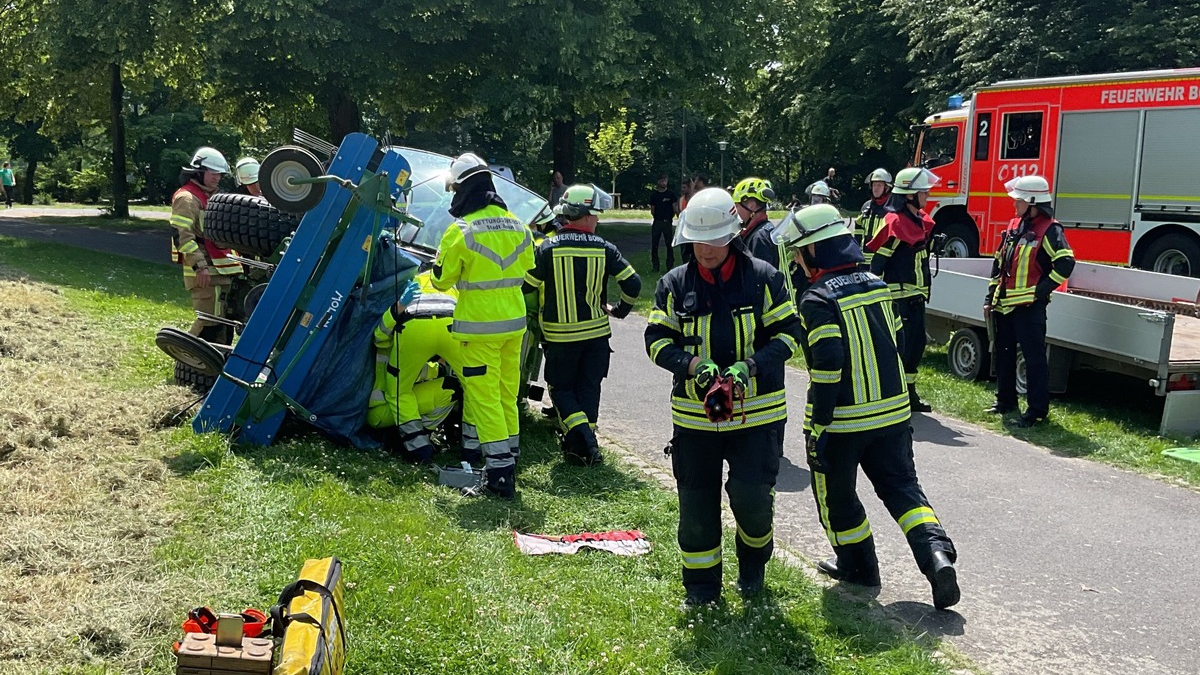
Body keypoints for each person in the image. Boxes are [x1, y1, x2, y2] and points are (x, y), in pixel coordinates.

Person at [773, 203, 960, 610]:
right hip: (893, 417)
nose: (796, 262)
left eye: (799, 253)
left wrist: (818, 423)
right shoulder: (876, 283)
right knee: (903, 490)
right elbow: (892, 335)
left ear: (817, 252)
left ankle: (859, 569)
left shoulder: (817, 299)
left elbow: (827, 366)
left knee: (837, 497)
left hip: (843, 422)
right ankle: (937, 557)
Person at [644, 187, 803, 607]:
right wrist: (692, 367)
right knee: (696, 510)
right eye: (696, 240)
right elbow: (656, 341)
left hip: (757, 417)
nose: (704, 249)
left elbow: (789, 335)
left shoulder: (763, 278)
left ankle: (752, 570)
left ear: (732, 234)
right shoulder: (674, 284)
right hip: (695, 421)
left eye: (713, 240)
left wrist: (749, 367)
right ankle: (700, 590)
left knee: (753, 502)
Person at [431, 152, 535, 499]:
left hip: (479, 329)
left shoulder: (460, 230)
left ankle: (500, 474)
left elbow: (442, 280)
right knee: (507, 393)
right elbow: (529, 267)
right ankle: (511, 457)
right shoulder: (518, 225)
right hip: (514, 325)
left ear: (463, 189)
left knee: (484, 397)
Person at [524, 184, 641, 465]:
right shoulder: (605, 248)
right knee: (589, 388)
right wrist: (620, 310)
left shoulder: (547, 249)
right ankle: (584, 447)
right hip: (597, 335)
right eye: (596, 215)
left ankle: (583, 441)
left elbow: (527, 286)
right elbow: (633, 283)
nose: (598, 220)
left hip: (558, 337)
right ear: (586, 215)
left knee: (561, 389)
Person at [985, 175, 1075, 428]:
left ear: (1033, 202)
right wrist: (989, 298)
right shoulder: (1015, 224)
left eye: (1019, 201)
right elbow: (999, 263)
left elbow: (1066, 263)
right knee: (1002, 355)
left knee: (1034, 359)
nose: (1015, 205)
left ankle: (1037, 411)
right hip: (1004, 304)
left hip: (1029, 308)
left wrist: (1039, 292)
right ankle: (1005, 401)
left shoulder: (1051, 229)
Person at [368, 272, 469, 464]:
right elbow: (380, 339)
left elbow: (380, 336)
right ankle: (411, 443)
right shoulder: (455, 290)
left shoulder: (402, 321)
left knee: (415, 391)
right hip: (379, 413)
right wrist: (438, 364)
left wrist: (399, 308)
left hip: (386, 405)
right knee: (458, 387)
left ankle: (416, 443)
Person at [866, 167, 938, 412]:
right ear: (909, 195)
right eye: (923, 192)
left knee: (917, 347)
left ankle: (910, 394)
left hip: (916, 296)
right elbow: (878, 263)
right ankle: (894, 396)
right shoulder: (895, 223)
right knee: (901, 348)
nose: (927, 196)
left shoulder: (919, 220)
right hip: (898, 298)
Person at [170, 147, 242, 343]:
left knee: (223, 320)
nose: (217, 178)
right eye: (213, 173)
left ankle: (217, 362)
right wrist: (199, 266)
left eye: (219, 174)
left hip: (222, 270)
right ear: (199, 172)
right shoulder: (186, 198)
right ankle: (188, 358)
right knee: (208, 319)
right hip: (203, 271)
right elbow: (182, 236)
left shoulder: (214, 197)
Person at [732, 177, 792, 298]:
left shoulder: (758, 238)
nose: (735, 211)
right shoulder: (768, 230)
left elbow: (759, 283)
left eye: (737, 205)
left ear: (751, 205)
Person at [853, 168, 894, 269]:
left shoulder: (892, 208)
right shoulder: (866, 207)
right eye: (874, 185)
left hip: (883, 264)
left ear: (887, 188)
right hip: (863, 263)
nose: (875, 188)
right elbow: (858, 234)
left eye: (879, 185)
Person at [649, 174, 679, 272]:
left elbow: (675, 208)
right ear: (658, 182)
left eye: (665, 181)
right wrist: (657, 217)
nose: (664, 183)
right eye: (662, 181)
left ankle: (670, 265)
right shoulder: (654, 195)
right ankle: (655, 266)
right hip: (657, 221)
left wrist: (671, 217)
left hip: (667, 222)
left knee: (669, 244)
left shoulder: (671, 194)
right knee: (655, 244)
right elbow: (652, 210)